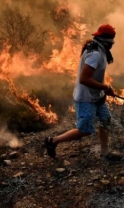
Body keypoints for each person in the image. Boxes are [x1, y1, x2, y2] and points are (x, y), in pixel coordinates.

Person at [44, 24, 117, 158]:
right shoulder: (95, 54)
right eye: (112, 40)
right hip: (86, 98)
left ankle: (105, 152)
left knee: (105, 119)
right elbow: (84, 79)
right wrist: (105, 88)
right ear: (107, 40)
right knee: (85, 130)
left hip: (96, 94)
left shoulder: (99, 49)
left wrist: (102, 90)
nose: (113, 43)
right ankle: (53, 141)